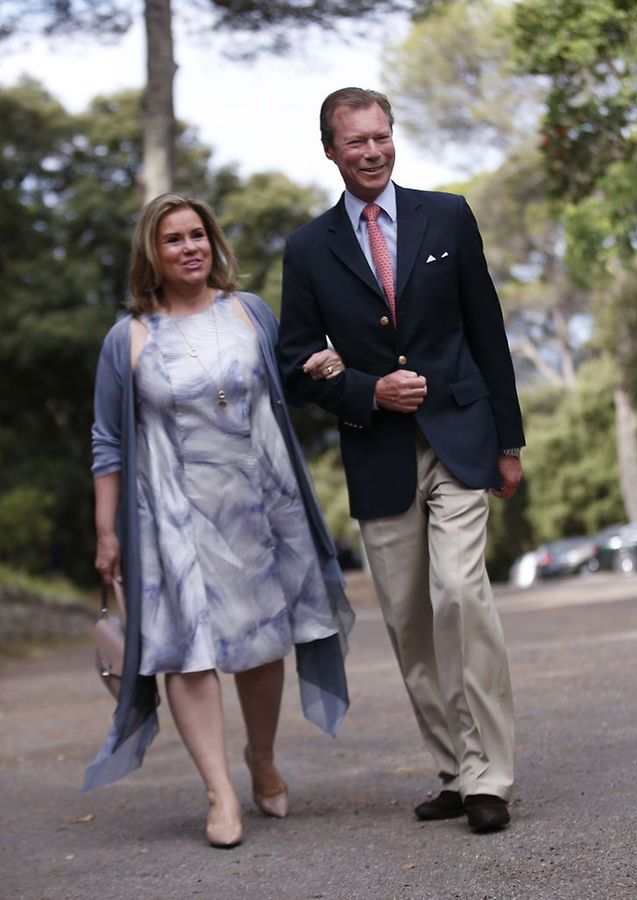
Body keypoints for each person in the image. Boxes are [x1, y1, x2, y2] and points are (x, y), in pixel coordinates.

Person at [278, 88, 525, 833]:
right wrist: (366, 389)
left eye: (381, 136)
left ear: (393, 138)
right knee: (410, 624)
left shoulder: (446, 214)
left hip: (459, 436)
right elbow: (292, 365)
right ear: (330, 150)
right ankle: (452, 769)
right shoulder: (307, 247)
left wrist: (508, 443)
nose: (372, 151)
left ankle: (490, 776)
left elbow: (487, 330)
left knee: (460, 594)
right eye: (355, 142)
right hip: (377, 451)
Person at [86, 192, 354, 849]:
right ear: (153, 252)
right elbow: (107, 441)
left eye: (198, 235)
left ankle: (260, 758)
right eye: (174, 238)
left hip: (257, 506)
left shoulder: (249, 312)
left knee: (261, 643)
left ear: (214, 243)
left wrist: (321, 366)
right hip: (170, 516)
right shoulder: (130, 337)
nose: (189, 247)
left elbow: (286, 384)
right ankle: (218, 792)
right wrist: (106, 530)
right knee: (185, 650)